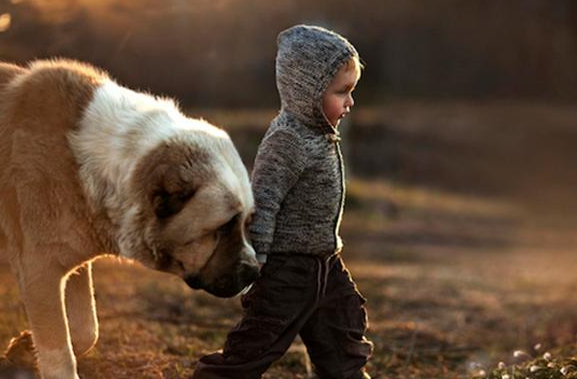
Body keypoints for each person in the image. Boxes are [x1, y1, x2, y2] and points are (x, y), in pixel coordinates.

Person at [192, 24, 373, 379]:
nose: (350, 102)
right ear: (309, 91)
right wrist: (255, 260)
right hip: (287, 269)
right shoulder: (287, 141)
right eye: (343, 92)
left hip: (325, 262)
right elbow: (264, 202)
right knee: (258, 343)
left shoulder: (321, 133)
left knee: (345, 331)